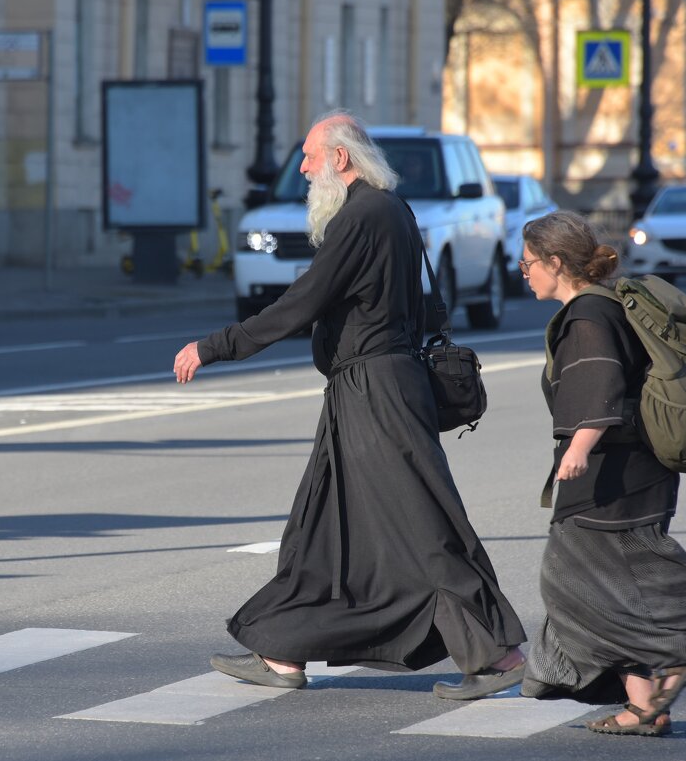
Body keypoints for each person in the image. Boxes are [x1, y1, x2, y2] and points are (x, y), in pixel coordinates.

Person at [173, 111, 526, 699]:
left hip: (377, 392)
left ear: (340, 159)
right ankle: (283, 652)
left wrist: (215, 347)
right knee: (319, 525)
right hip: (372, 386)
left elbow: (301, 302)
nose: (306, 168)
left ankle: (498, 655)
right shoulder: (393, 210)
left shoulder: (361, 216)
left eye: (311, 157)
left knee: (423, 525)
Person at [516, 211, 686, 737]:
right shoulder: (604, 306)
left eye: (528, 262)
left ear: (556, 263)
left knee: (571, 584)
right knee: (618, 587)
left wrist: (579, 448)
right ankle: (646, 708)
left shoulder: (587, 316)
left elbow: (600, 384)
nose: (523, 271)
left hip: (609, 473)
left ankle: (670, 658)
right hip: (641, 469)